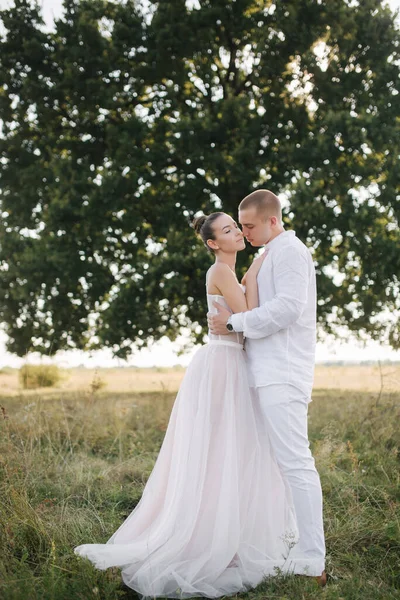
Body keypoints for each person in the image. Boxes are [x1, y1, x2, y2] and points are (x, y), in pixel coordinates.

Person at [74, 211, 301, 599]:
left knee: (233, 449)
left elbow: (242, 311)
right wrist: (259, 270)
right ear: (214, 243)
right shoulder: (223, 272)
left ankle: (231, 532)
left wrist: (252, 275)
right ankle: (213, 539)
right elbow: (247, 315)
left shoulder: (230, 272)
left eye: (237, 226)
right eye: (229, 230)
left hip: (229, 361)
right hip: (224, 365)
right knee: (222, 451)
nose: (237, 233)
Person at [208, 190, 327, 587]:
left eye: (249, 226)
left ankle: (312, 559)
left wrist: (235, 324)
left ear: (272, 220)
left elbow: (290, 308)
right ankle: (287, 541)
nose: (245, 233)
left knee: (295, 463)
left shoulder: (290, 251)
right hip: (263, 371)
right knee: (276, 465)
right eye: (239, 227)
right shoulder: (268, 254)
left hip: (284, 370)